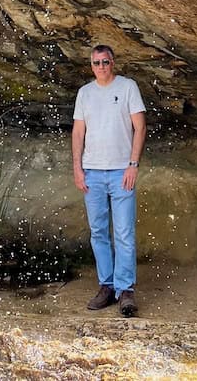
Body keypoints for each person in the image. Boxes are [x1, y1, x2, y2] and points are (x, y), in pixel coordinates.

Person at [72, 44, 146, 317]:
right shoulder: (85, 93)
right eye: (96, 63)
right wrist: (77, 168)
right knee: (99, 232)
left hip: (120, 172)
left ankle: (126, 291)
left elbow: (140, 127)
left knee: (124, 233)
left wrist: (133, 165)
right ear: (90, 65)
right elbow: (78, 133)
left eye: (105, 62)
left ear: (113, 63)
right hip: (92, 172)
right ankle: (107, 286)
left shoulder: (127, 87)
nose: (101, 67)